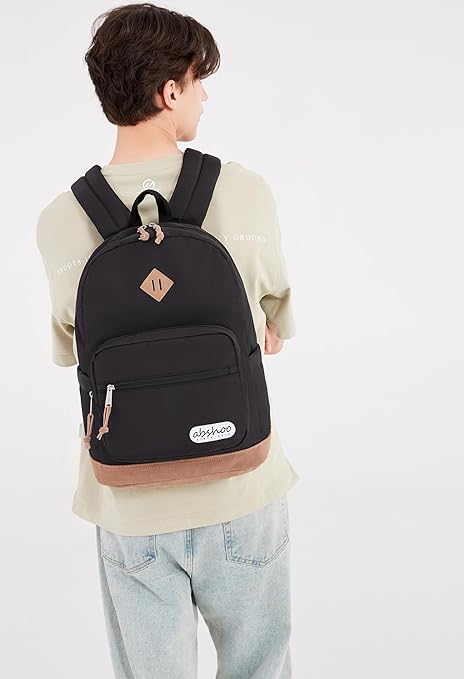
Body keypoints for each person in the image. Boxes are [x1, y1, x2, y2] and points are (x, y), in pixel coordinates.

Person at [36, 4, 299, 677]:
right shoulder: (244, 192)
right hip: (240, 485)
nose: (204, 96)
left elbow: (71, 349)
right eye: (197, 80)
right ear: (169, 91)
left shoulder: (61, 219)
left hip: (129, 501)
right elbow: (276, 322)